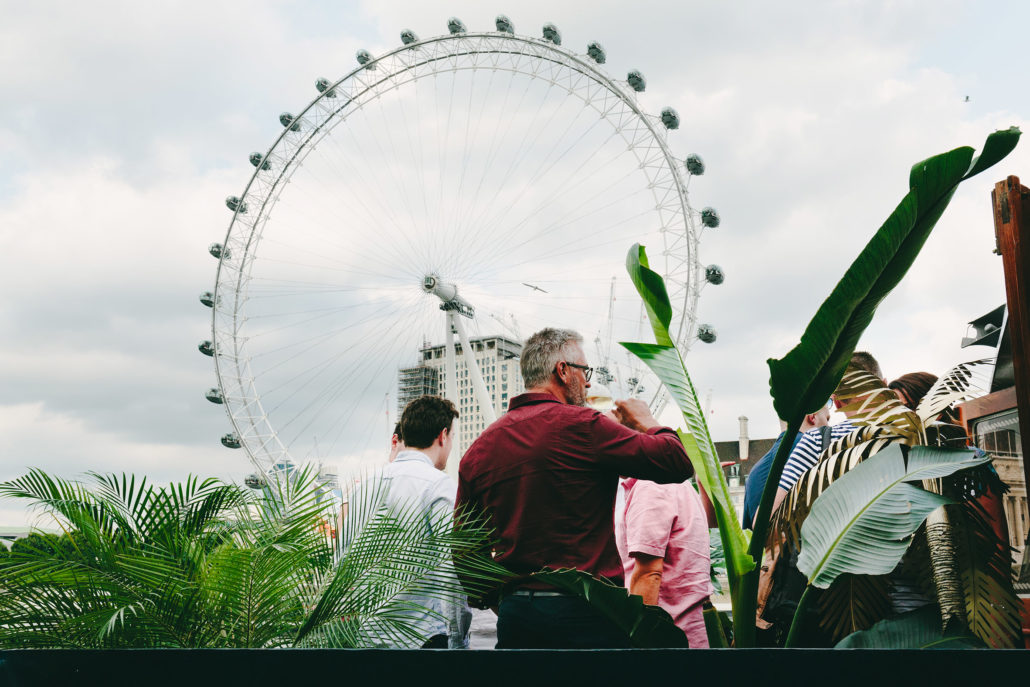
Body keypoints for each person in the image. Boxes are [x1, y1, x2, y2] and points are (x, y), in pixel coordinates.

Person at [456, 327, 694, 649]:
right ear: (563, 371)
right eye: (585, 372)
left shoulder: (479, 450)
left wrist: (503, 599)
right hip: (587, 610)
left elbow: (466, 550)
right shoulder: (585, 426)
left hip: (517, 616)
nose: (589, 381)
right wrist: (646, 420)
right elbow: (676, 461)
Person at [346, 396, 471, 649]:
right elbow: (451, 571)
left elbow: (344, 563)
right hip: (422, 638)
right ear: (443, 435)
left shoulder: (364, 487)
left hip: (366, 638)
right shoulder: (439, 486)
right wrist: (459, 642)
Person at [774, 351, 886, 507]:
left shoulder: (817, 442)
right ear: (885, 385)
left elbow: (767, 518)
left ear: (837, 402)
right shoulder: (923, 434)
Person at [615, 477, 713, 647]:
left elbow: (649, 573)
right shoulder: (680, 484)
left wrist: (639, 646)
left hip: (664, 639)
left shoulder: (651, 487)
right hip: (689, 635)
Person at [741, 406, 831, 529]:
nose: (829, 427)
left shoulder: (754, 472)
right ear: (812, 417)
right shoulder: (814, 452)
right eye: (827, 419)